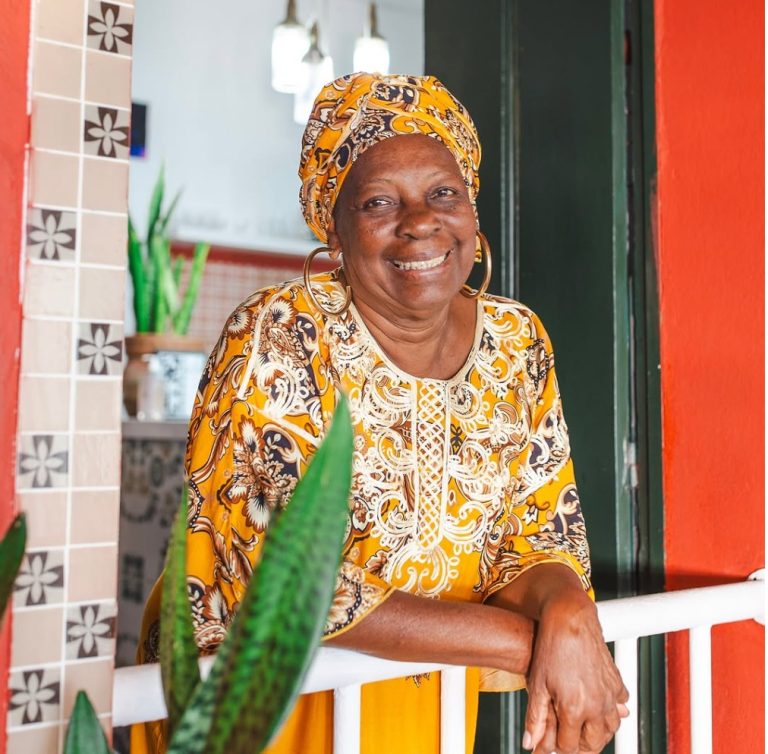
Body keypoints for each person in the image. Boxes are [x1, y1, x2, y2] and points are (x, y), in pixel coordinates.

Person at [133, 72, 628, 754]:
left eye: (443, 193)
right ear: (333, 231)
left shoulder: (518, 344)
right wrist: (529, 642)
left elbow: (538, 541)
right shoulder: (279, 333)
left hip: (417, 703)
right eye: (377, 201)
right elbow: (289, 579)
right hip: (256, 708)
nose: (420, 220)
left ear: (473, 212)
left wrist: (569, 612)